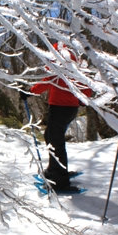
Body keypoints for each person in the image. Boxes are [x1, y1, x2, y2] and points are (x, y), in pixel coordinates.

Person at [23, 42, 92, 193]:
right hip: (69, 110)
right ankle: (53, 171)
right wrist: (81, 100)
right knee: (51, 138)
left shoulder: (59, 68)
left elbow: (46, 82)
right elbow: (87, 89)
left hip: (60, 109)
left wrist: (29, 92)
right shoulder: (74, 68)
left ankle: (60, 182)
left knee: (55, 143)